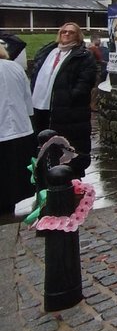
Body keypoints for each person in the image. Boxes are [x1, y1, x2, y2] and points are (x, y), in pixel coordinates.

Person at [30, 23, 97, 178]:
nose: (66, 34)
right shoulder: (48, 52)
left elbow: (85, 82)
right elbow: (35, 74)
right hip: (41, 107)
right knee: (43, 144)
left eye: (71, 32)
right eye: (64, 31)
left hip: (68, 111)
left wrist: (69, 97)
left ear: (78, 36)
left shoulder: (83, 56)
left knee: (67, 148)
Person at [0, 41, 35, 216]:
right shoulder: (14, 67)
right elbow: (26, 95)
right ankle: (9, 206)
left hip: (4, 131)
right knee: (13, 174)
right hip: (21, 129)